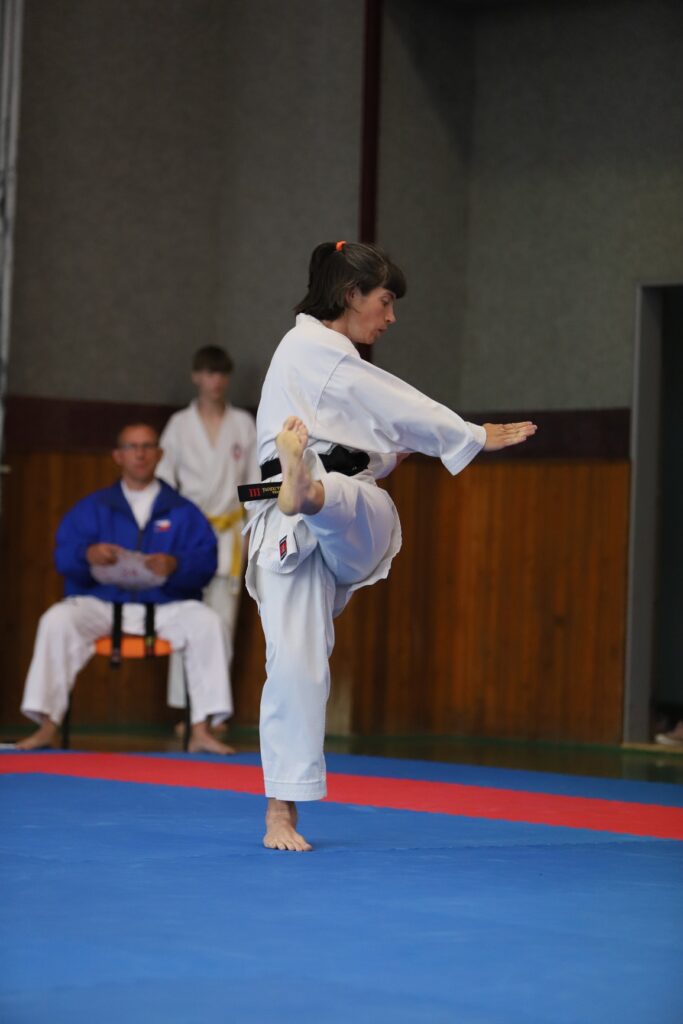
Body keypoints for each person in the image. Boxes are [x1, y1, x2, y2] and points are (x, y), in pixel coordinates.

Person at [244, 240, 538, 852]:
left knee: (294, 661)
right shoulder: (322, 353)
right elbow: (398, 403)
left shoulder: (306, 360)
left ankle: (279, 816)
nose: (391, 316)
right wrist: (470, 435)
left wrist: (394, 452)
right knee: (361, 512)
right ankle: (312, 492)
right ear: (351, 295)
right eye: (385, 301)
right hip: (314, 512)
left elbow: (377, 429)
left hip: (284, 516)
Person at [16, 423, 234, 754]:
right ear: (118, 456)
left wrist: (175, 564)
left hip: (166, 603)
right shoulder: (93, 507)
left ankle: (201, 729)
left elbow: (206, 560)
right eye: (132, 447)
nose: (140, 454)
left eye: (147, 446)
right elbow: (64, 555)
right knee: (57, 620)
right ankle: (47, 725)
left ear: (159, 454)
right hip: (103, 601)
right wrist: (87, 554)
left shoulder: (182, 510)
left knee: (209, 623)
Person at [156, 346, 259, 743]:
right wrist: (171, 533)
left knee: (221, 626)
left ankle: (212, 714)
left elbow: (256, 486)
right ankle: (187, 711)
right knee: (183, 621)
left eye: (221, 374)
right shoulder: (179, 426)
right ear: (196, 376)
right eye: (208, 373)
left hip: (229, 534)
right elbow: (164, 485)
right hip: (188, 536)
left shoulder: (243, 424)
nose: (215, 381)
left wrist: (251, 529)